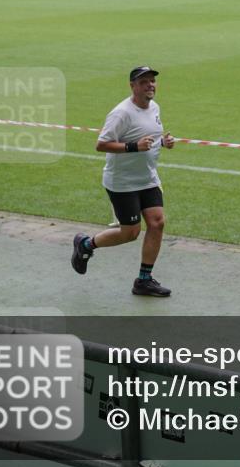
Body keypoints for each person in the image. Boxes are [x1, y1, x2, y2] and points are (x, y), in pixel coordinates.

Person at [71, 66, 176, 297]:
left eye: (152, 81)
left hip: (148, 178)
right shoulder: (121, 113)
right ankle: (86, 245)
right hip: (122, 182)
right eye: (144, 82)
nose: (150, 85)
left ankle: (144, 281)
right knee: (130, 233)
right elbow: (101, 144)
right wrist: (132, 146)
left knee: (157, 223)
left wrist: (163, 143)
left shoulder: (155, 108)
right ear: (132, 86)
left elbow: (150, 140)